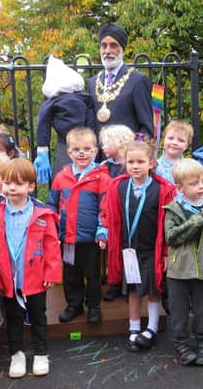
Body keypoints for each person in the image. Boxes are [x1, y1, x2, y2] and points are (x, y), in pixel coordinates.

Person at [0, 158, 62, 378]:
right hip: (9, 279)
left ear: (30, 186)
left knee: (38, 316)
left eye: (18, 184)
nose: (11, 188)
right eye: (8, 182)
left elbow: (51, 247)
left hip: (35, 277)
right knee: (14, 318)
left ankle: (41, 353)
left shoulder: (43, 215)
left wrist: (51, 273)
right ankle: (16, 354)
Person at [101, 137, 176, 352]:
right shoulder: (119, 186)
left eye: (140, 162)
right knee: (133, 290)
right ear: (125, 163)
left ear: (151, 164)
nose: (135, 166)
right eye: (131, 162)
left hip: (152, 248)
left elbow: (167, 223)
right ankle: (134, 328)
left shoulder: (163, 190)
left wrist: (165, 252)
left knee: (153, 290)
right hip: (128, 250)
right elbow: (109, 214)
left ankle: (151, 328)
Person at [164, 159, 203, 366]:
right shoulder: (173, 209)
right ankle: (182, 345)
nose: (201, 186)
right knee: (179, 312)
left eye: (202, 181)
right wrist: (195, 221)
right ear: (180, 188)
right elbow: (171, 237)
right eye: (194, 183)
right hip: (179, 271)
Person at [47, 127, 111, 324]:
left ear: (95, 151)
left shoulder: (102, 177)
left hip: (90, 238)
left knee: (92, 275)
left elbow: (106, 207)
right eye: (76, 149)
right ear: (68, 152)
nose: (81, 153)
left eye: (86, 149)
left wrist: (102, 231)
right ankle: (74, 305)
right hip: (67, 237)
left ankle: (94, 307)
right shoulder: (61, 177)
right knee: (71, 274)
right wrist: (52, 229)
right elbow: (52, 204)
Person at [34, 55, 97, 183]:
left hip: (66, 144)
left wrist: (42, 148)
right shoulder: (85, 98)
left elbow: (42, 123)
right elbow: (91, 121)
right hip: (83, 143)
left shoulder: (52, 101)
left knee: (64, 180)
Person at [88, 23, 154, 140]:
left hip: (126, 155)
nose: (107, 51)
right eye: (104, 46)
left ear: (122, 50)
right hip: (98, 156)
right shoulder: (92, 83)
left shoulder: (137, 80)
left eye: (113, 45)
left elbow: (146, 128)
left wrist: (134, 152)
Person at [98, 124, 136, 301]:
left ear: (119, 143)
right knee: (113, 252)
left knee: (130, 250)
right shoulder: (104, 166)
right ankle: (114, 283)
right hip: (111, 215)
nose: (102, 147)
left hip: (130, 215)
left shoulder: (132, 166)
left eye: (106, 143)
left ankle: (130, 286)